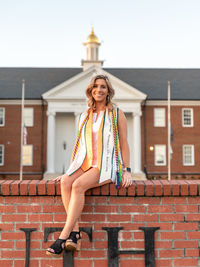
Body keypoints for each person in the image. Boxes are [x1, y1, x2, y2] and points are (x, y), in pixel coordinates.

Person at [46, 74, 132, 256]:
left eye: (103, 87)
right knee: (66, 182)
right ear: (90, 91)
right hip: (85, 162)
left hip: (106, 164)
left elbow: (124, 142)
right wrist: (69, 171)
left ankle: (63, 236)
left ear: (108, 91)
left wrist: (127, 170)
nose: (99, 90)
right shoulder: (85, 115)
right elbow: (79, 145)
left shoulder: (116, 113)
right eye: (96, 86)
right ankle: (75, 233)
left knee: (78, 186)